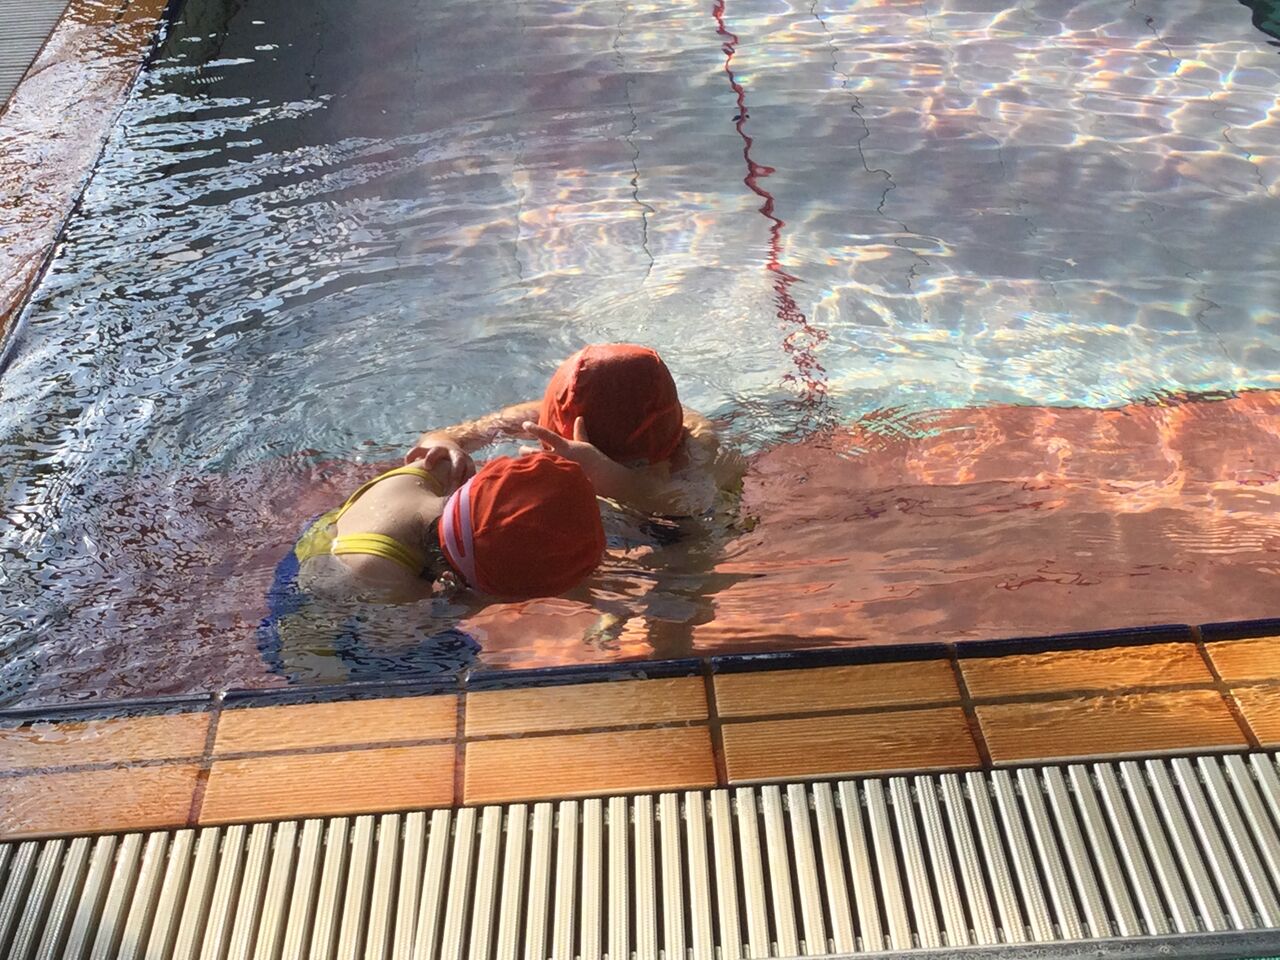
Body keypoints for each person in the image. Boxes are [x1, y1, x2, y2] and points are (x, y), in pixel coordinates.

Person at [257, 449, 607, 681]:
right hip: (311, 645)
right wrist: (473, 603)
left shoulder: (427, 474)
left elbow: (438, 447)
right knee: (458, 663)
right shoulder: (389, 583)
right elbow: (385, 642)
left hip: (320, 538)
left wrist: (444, 443)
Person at [409, 343, 744, 518]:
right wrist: (444, 444)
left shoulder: (696, 445)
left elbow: (685, 503)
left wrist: (604, 474)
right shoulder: (540, 416)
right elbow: (463, 432)